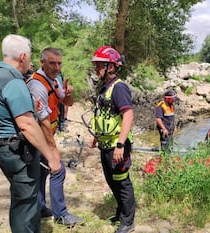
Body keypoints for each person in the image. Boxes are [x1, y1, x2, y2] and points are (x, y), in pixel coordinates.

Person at [0, 34, 61, 233]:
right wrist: (51, 156)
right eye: (30, 56)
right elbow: (26, 125)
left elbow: (2, 110)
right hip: (17, 151)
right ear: (23, 56)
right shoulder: (13, 81)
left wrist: (29, 106)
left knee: (22, 197)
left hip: (0, 146)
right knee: (25, 204)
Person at [27, 47, 84, 226]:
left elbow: (67, 103)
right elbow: (43, 122)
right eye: (52, 63)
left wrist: (69, 94)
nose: (57, 67)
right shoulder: (37, 85)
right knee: (58, 170)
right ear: (42, 62)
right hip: (37, 137)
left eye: (59, 63)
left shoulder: (56, 79)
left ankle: (42, 208)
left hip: (47, 133)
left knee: (42, 172)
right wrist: (53, 151)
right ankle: (61, 215)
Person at [89, 45, 135, 233]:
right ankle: (120, 212)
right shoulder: (104, 88)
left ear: (111, 67)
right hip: (105, 144)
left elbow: (128, 115)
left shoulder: (119, 88)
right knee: (111, 180)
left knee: (122, 182)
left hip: (117, 146)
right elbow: (103, 115)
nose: (96, 69)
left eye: (99, 65)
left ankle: (128, 221)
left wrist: (120, 145)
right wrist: (95, 136)